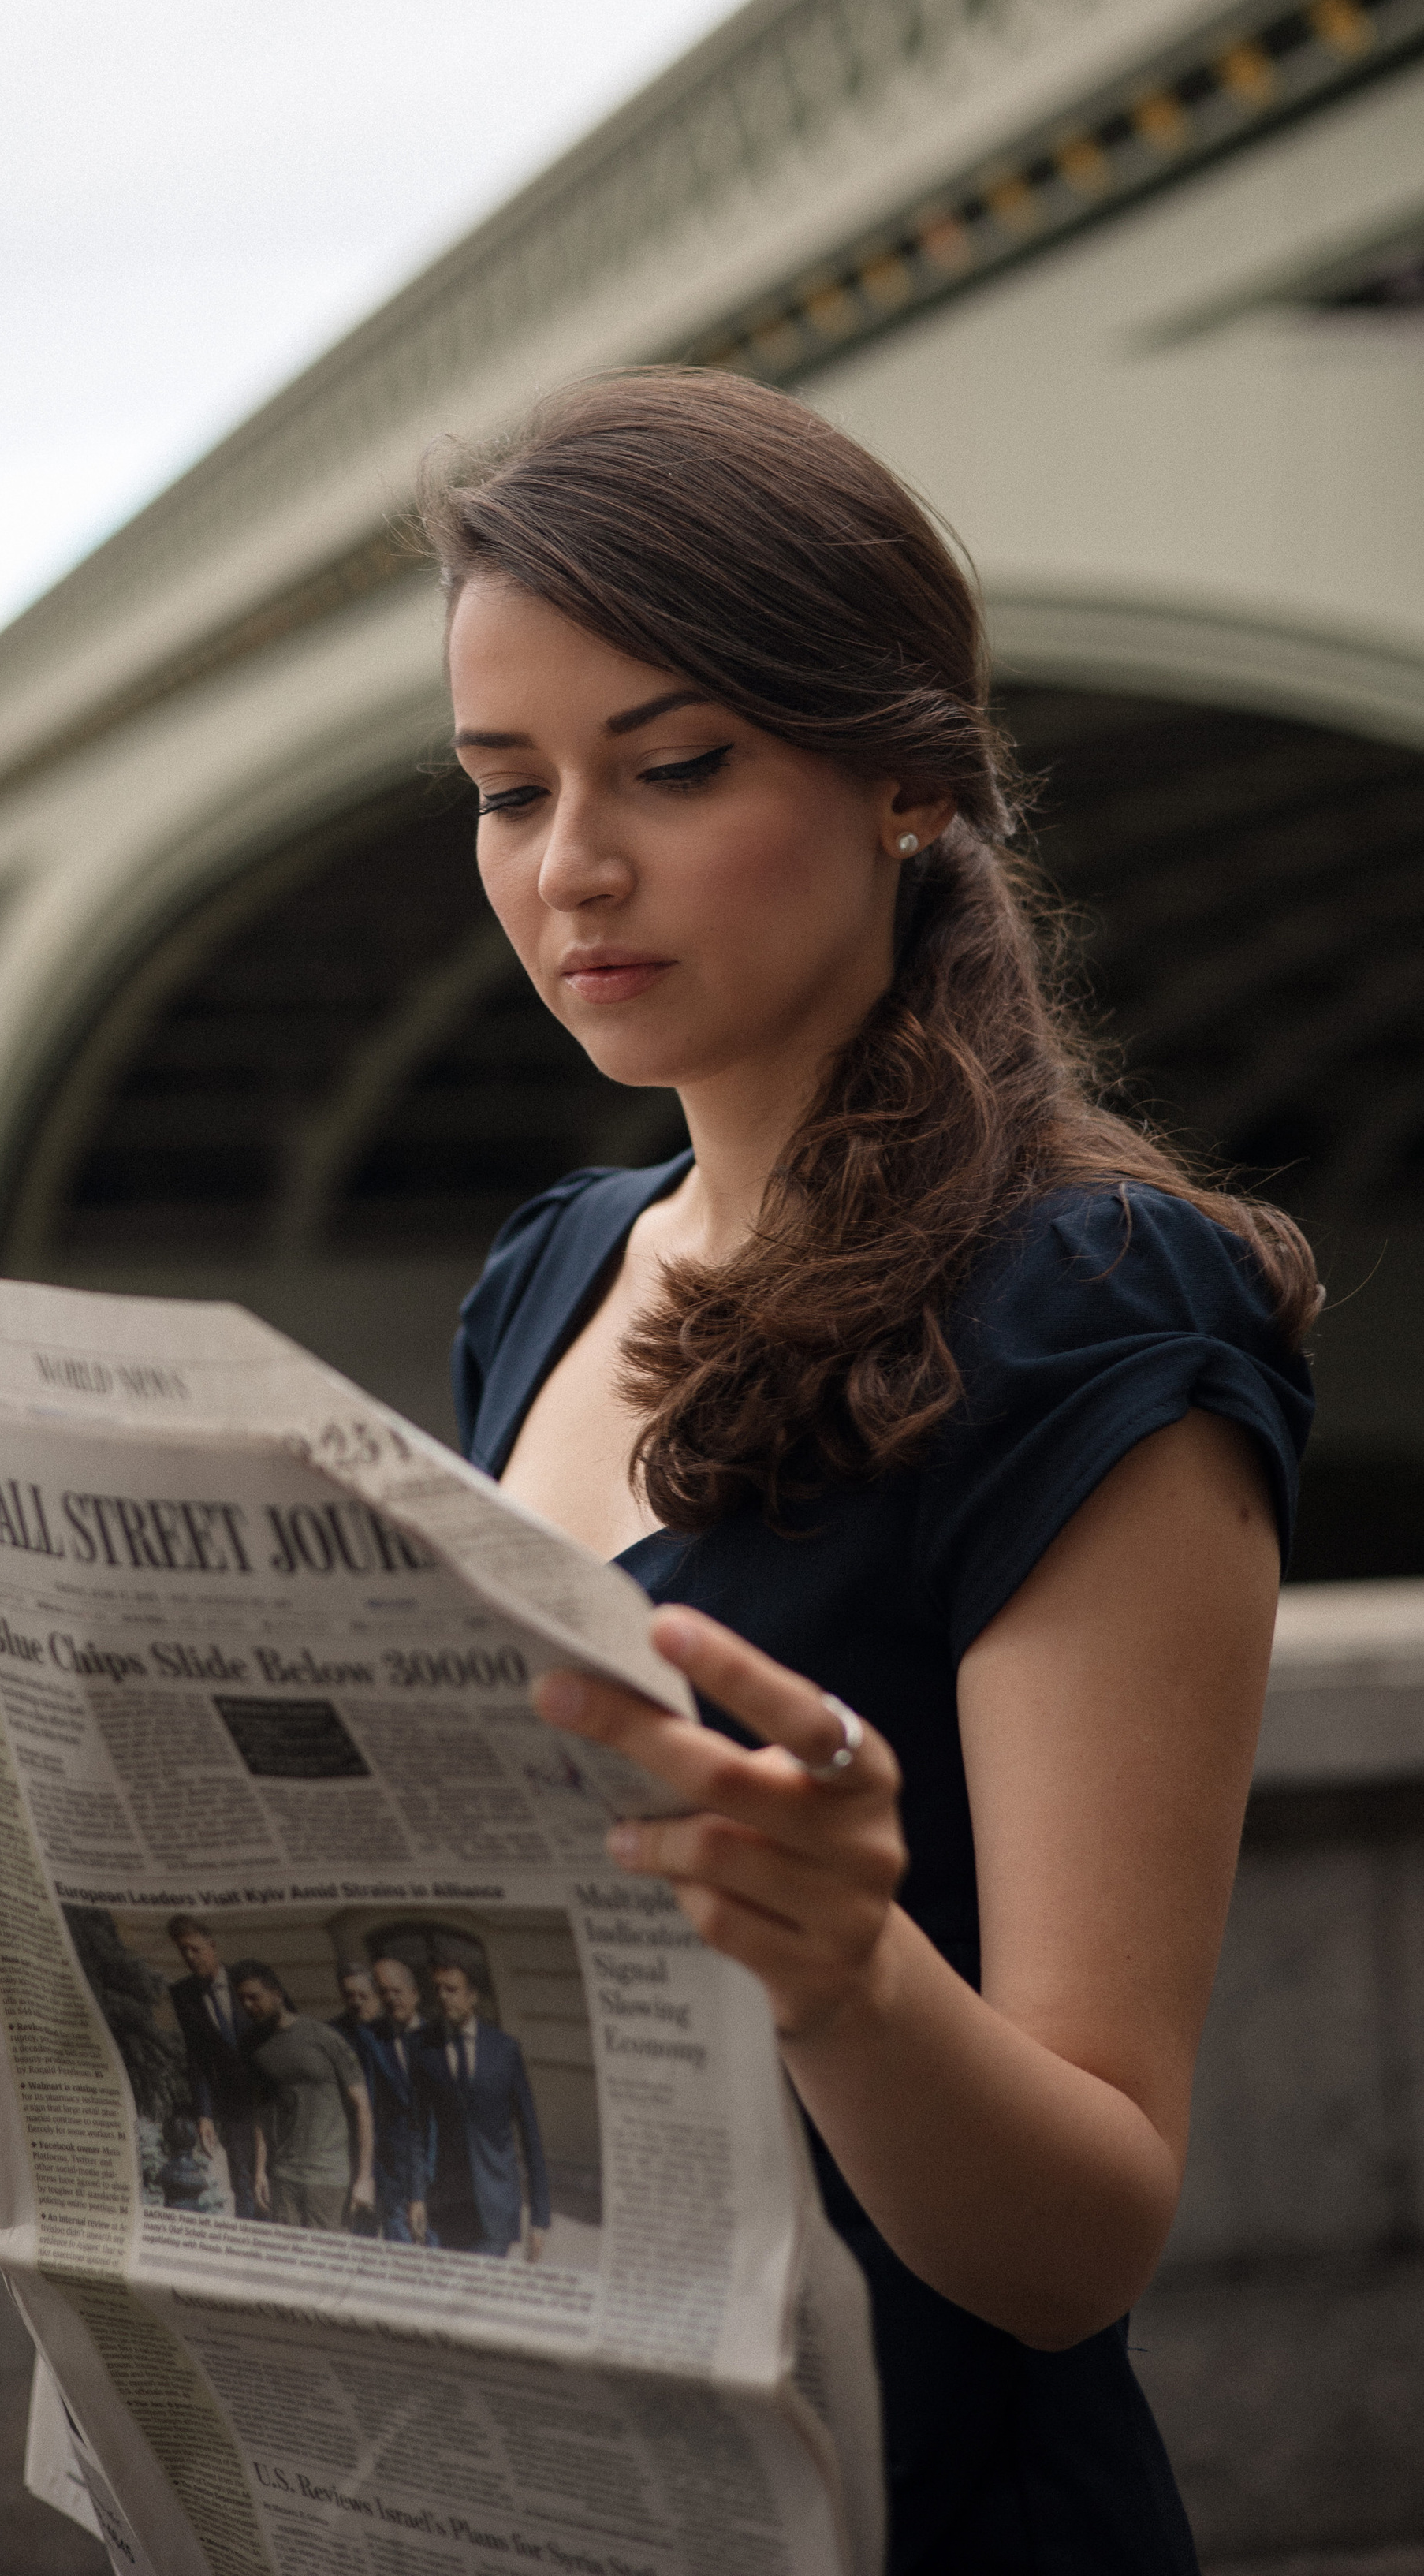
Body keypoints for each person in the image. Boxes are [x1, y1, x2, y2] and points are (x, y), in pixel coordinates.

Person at [429, 369, 1316, 2574]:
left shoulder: (1094, 1302)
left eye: (675, 765)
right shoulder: (551, 1265)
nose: (569, 868)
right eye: (504, 789)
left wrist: (846, 1972)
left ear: (908, 776)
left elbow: (1081, 2234)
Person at [415, 1959, 550, 2261]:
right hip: (447, 2204)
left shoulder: (505, 2050)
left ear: (472, 1995)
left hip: (496, 2202)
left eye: (452, 1989)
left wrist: (539, 2219)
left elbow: (531, 2136)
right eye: (438, 1990)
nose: (444, 1997)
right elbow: (417, 2131)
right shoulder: (425, 2050)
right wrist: (416, 2194)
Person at [234, 1962, 376, 2231]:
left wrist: (364, 2178)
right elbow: (261, 2110)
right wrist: (260, 2170)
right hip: (284, 2176)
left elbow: (362, 2107)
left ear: (277, 1994)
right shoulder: (253, 2047)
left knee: (329, 2263)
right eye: (242, 1999)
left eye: (255, 1997)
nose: (249, 2006)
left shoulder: (323, 2037)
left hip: (329, 2178)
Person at [165, 1915, 261, 2220]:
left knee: (274, 2181)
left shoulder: (247, 1982)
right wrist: (204, 2113)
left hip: (269, 2100)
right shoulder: (184, 1995)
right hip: (234, 2106)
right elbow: (198, 2057)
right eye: (183, 1951)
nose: (190, 1957)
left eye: (195, 1948)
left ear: (212, 1946)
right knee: (244, 2182)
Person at [365, 1957, 437, 2243]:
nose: (391, 1998)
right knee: (400, 2254)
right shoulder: (372, 2039)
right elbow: (369, 2108)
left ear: (415, 1994)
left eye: (397, 1991)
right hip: (392, 2169)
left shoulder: (438, 2038)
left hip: (436, 2171)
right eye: (384, 1992)